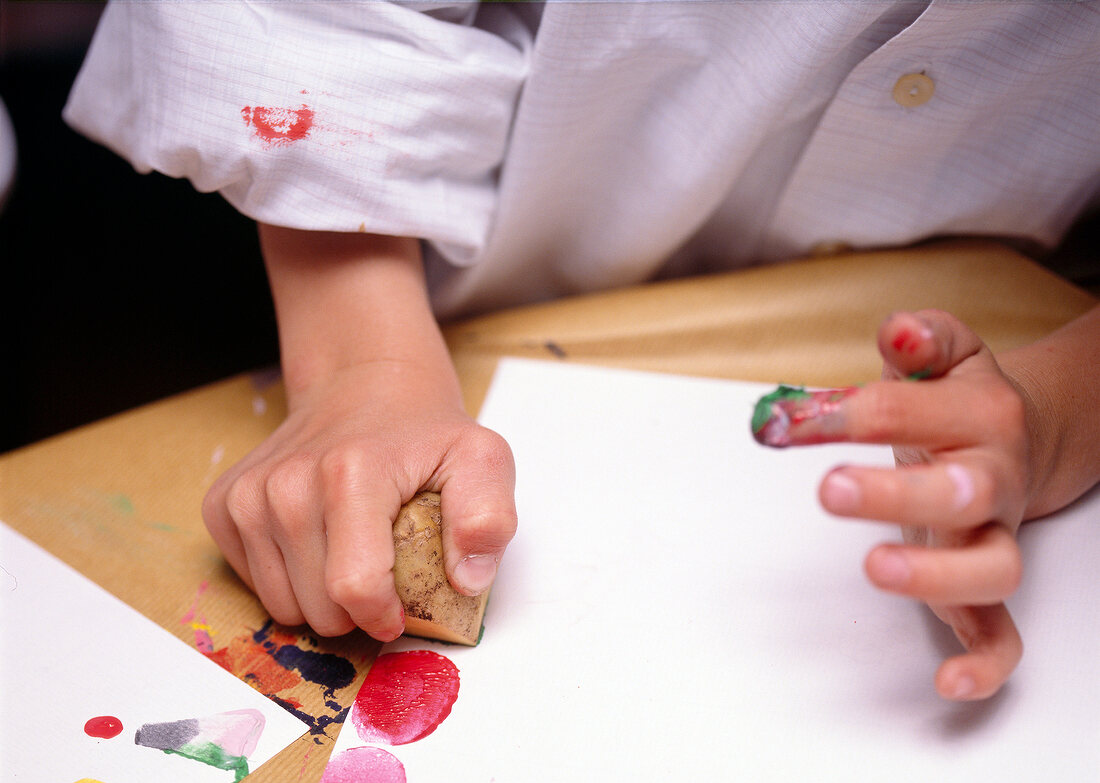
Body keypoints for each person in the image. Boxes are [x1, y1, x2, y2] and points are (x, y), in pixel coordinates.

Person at [63, 1, 1100, 700]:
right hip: (452, 284)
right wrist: (365, 366)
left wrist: (1055, 418)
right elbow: (317, 26)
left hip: (1015, 324)